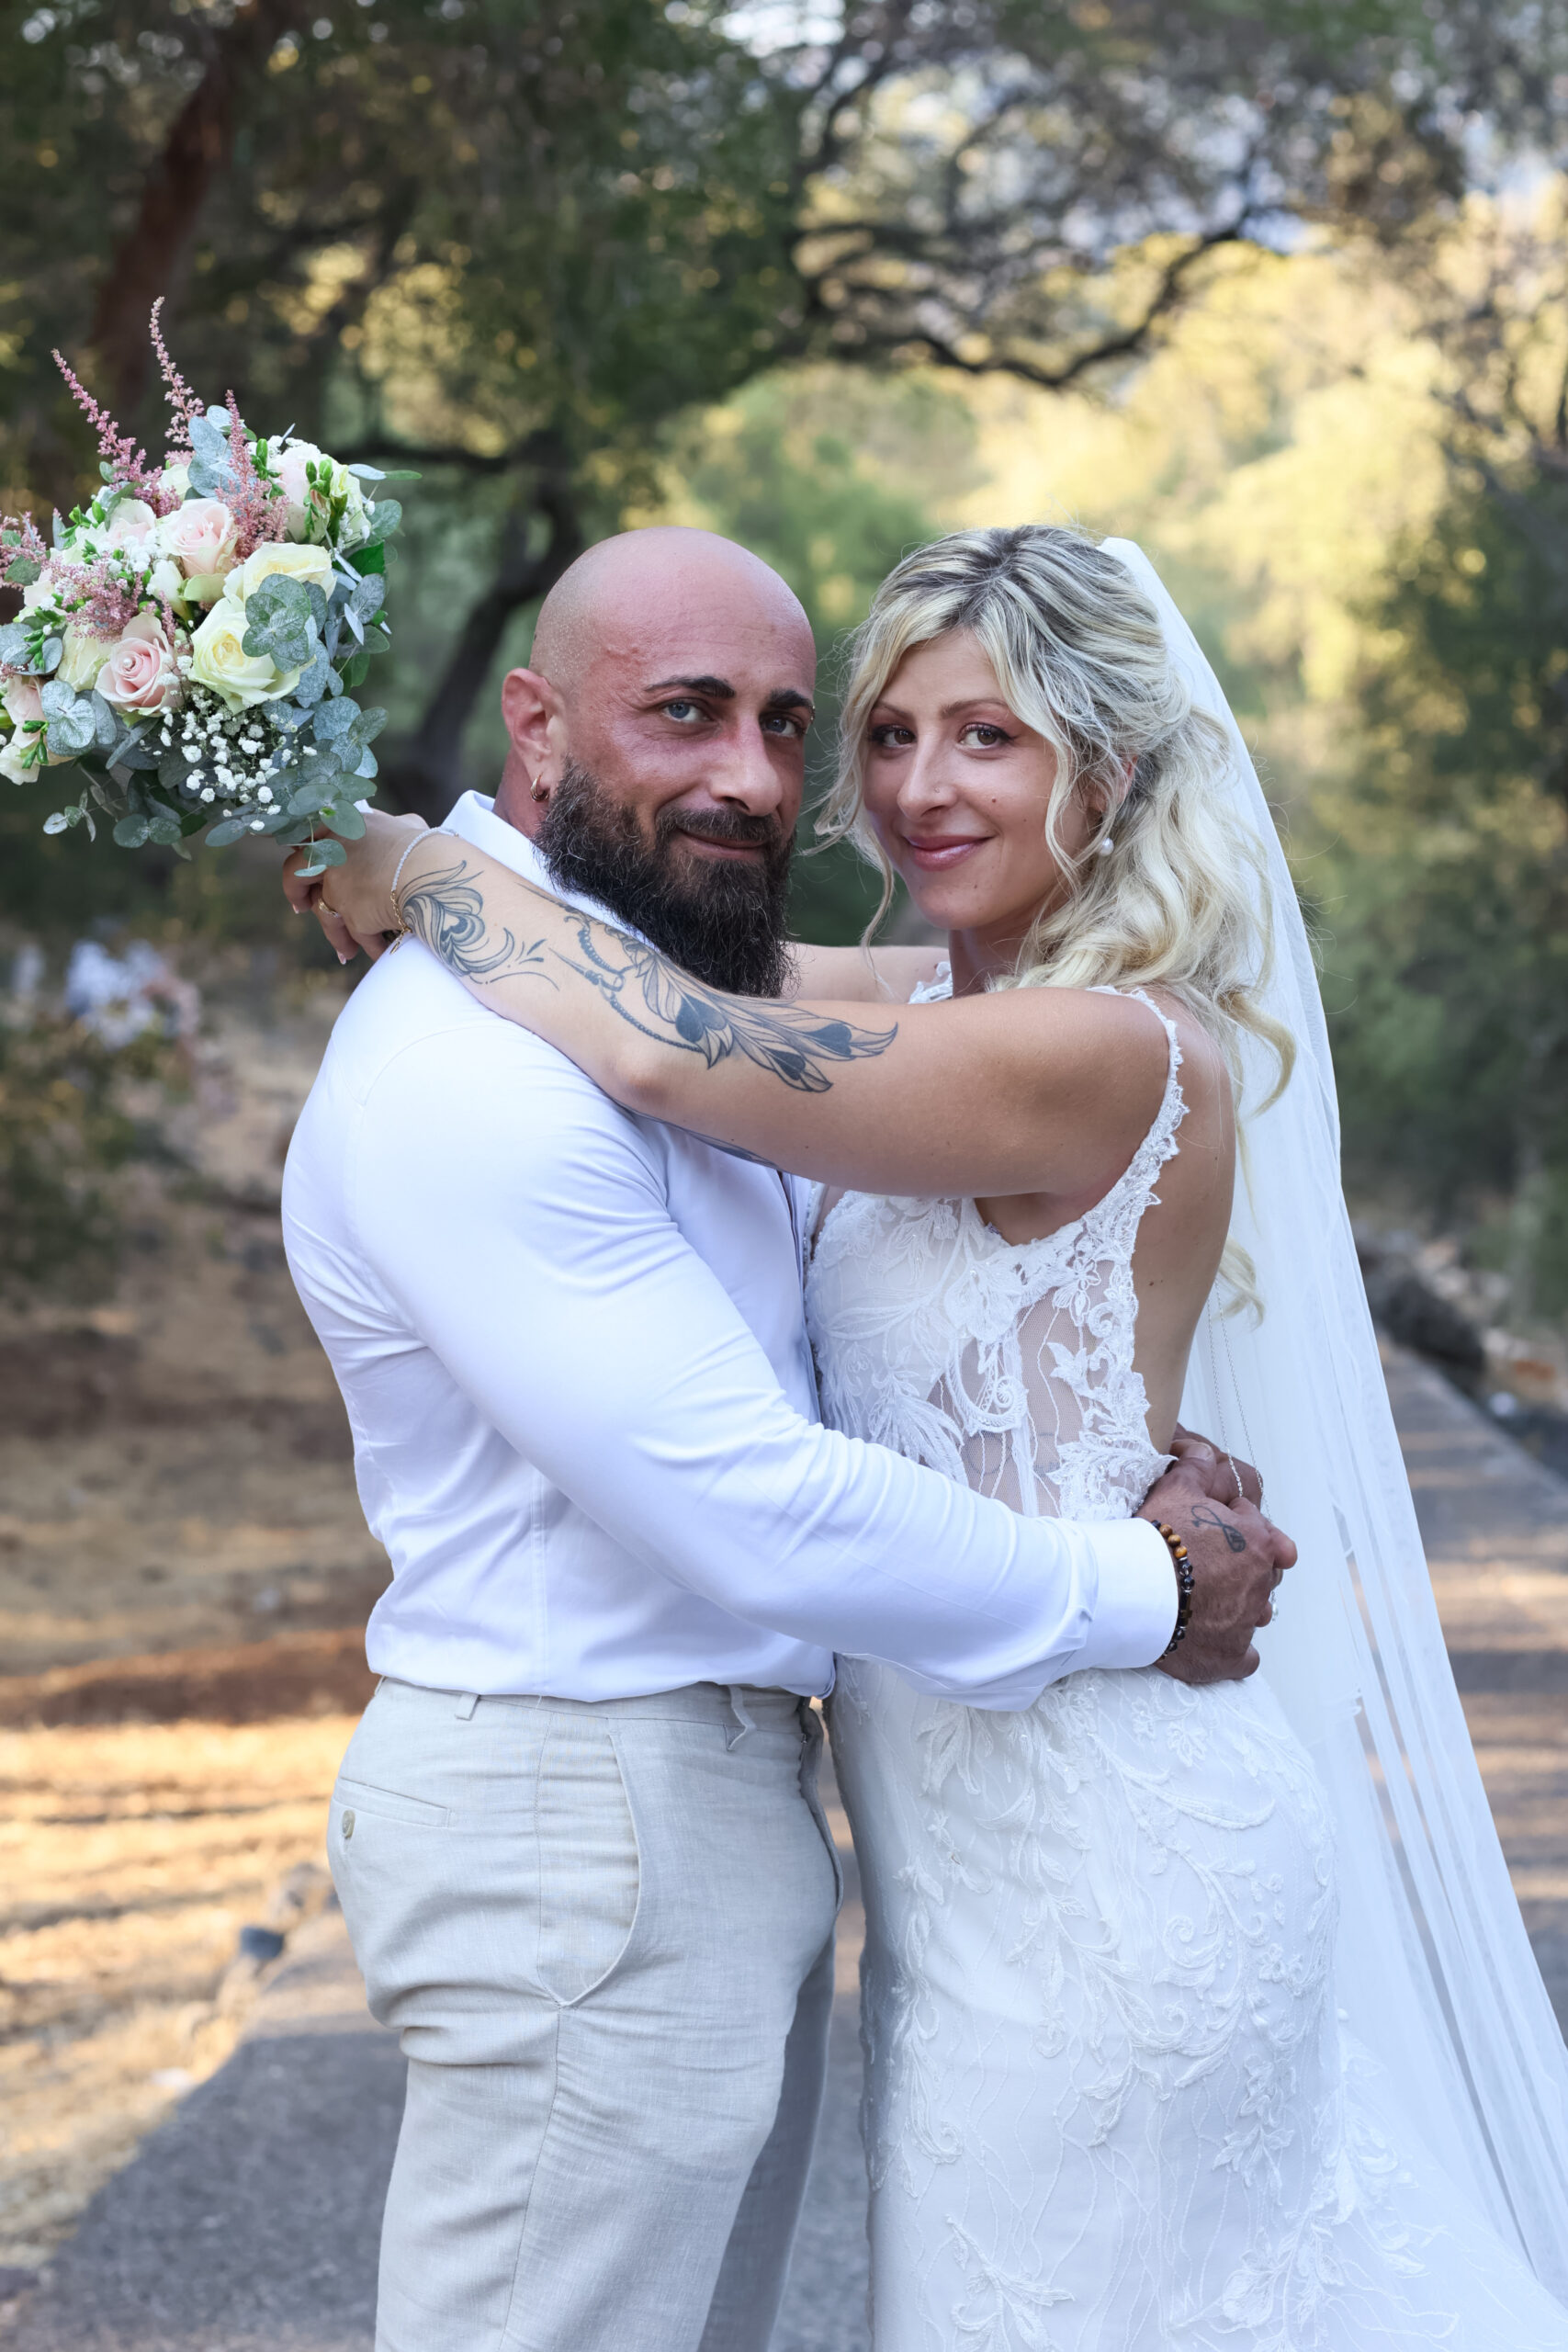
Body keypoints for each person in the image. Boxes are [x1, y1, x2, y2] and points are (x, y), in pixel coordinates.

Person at [310, 525, 1568, 2346]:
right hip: (964, 1868)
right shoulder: (940, 1006)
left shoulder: (1099, 1047)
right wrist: (451, 864)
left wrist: (421, 861)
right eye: (889, 735)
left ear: (1105, 770)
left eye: (989, 737)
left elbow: (668, 1045)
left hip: (1101, 1859)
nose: (916, 789)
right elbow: (669, 961)